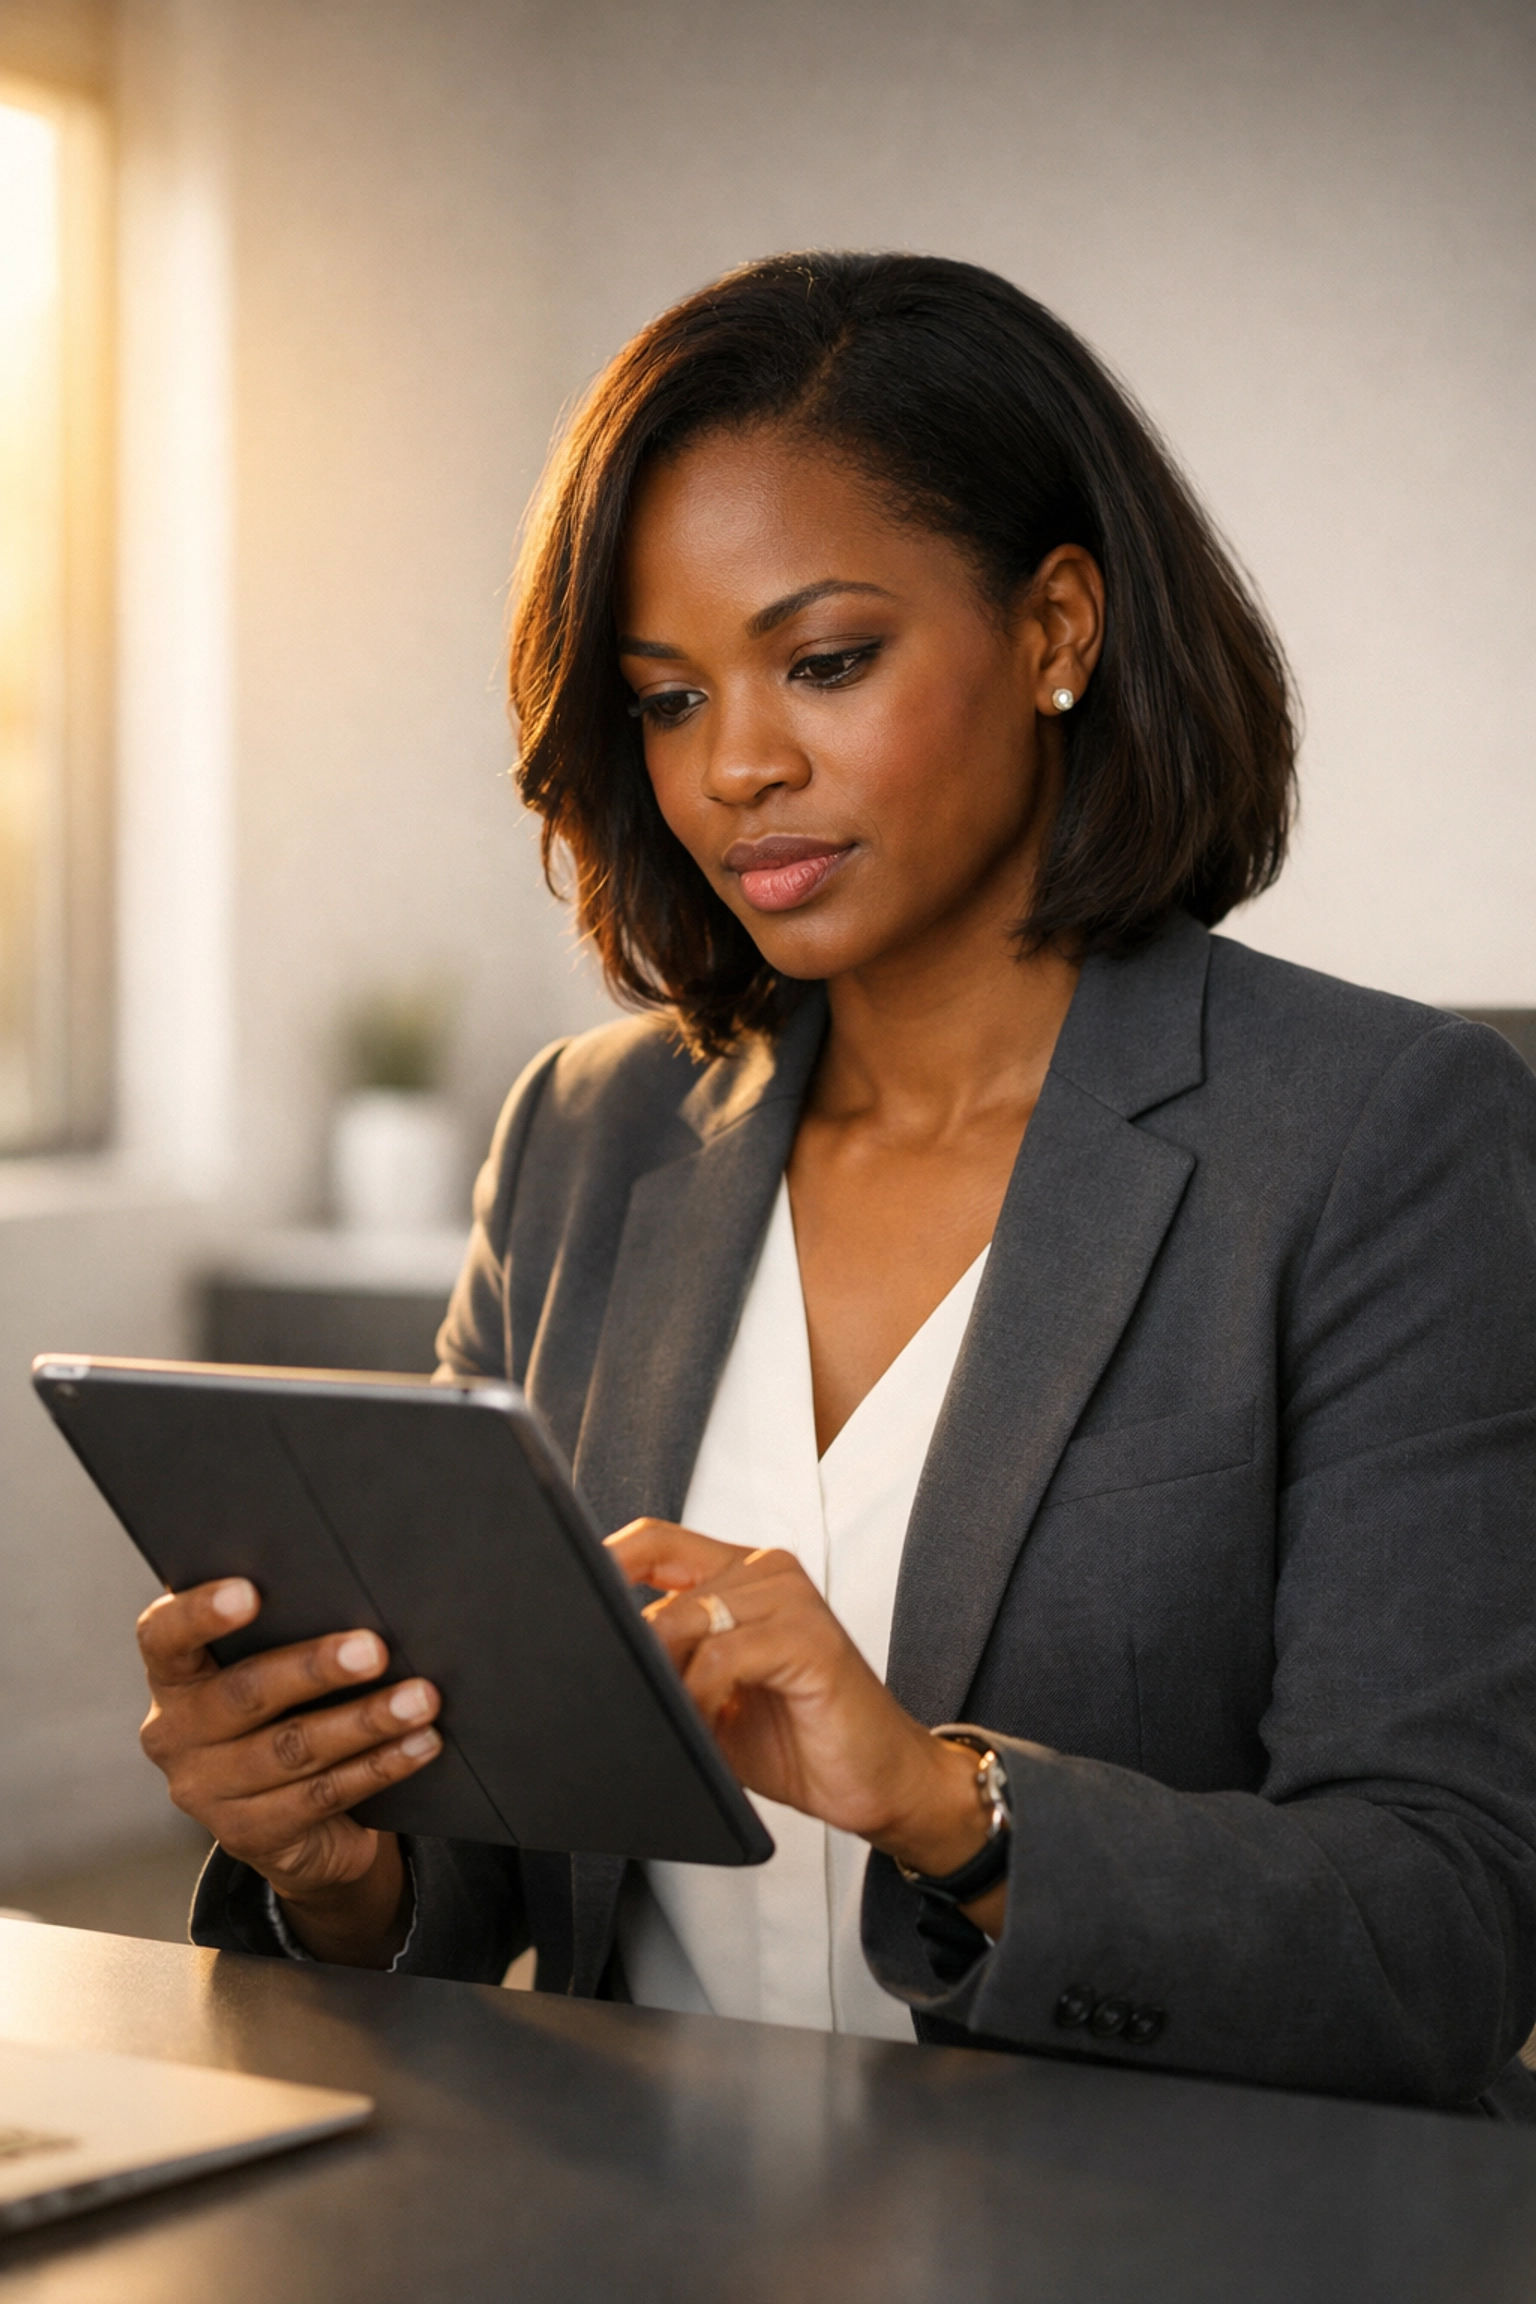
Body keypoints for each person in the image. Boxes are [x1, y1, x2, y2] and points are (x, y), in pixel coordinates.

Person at [138, 253, 1536, 2113]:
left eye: (825, 661)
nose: (735, 767)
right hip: (633, 2235)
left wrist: (949, 1804)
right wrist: (335, 1849)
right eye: (660, 697)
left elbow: (1446, 1933)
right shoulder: (585, 1132)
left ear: (1057, 631)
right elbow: (479, 1881)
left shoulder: (1381, 1134)